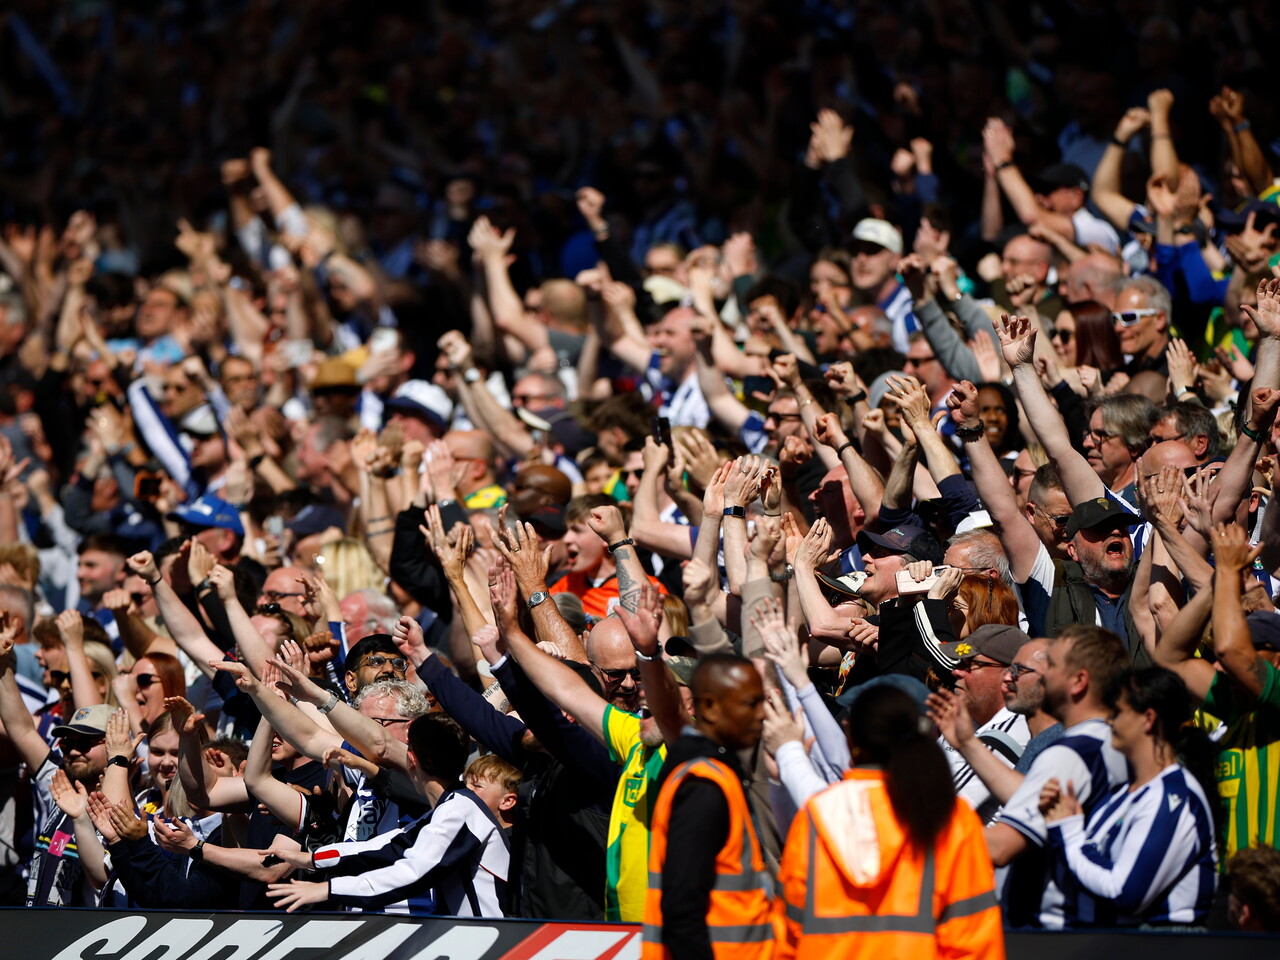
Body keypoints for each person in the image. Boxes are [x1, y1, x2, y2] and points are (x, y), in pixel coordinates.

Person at [774, 683, 1003, 960]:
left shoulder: (816, 814)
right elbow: (974, 937)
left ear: (851, 738)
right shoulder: (950, 817)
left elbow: (788, 928)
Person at [264, 713, 509, 917]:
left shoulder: (460, 810)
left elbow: (413, 873)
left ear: (411, 760)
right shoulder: (452, 806)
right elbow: (386, 846)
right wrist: (312, 858)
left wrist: (326, 889)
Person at [1041, 667, 1218, 927]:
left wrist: (1068, 831)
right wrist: (1065, 816)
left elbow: (1124, 893)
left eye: (1118, 712)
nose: (1109, 721)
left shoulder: (1173, 797)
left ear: (1148, 719)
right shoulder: (1123, 794)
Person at [985, 625, 1131, 929]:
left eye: (1050, 666)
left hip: (1046, 930)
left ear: (1078, 682)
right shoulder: (1113, 741)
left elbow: (1000, 847)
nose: (1042, 675)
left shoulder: (1068, 753)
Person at [642, 654, 772, 960]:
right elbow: (682, 908)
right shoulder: (704, 786)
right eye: (751, 703)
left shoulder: (713, 772)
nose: (761, 713)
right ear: (711, 707)